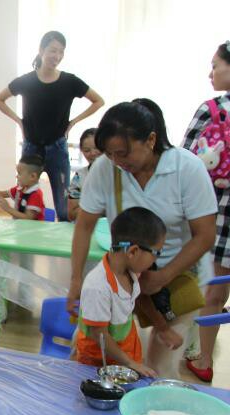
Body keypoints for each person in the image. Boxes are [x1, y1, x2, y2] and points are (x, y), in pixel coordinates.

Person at [68, 99, 217, 378]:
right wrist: (76, 280)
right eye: (110, 154)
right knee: (94, 354)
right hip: (124, 276)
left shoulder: (187, 168)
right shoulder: (106, 168)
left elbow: (205, 235)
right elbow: (84, 226)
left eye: (123, 153)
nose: (116, 161)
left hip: (175, 277)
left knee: (158, 367)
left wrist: (162, 277)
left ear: (150, 140)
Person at [0, 31, 104, 221]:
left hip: (57, 149)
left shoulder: (69, 81)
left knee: (63, 209)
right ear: (41, 50)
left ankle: (66, 240)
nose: (57, 56)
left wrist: (74, 122)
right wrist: (19, 121)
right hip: (31, 149)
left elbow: (98, 101)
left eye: (61, 51)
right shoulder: (26, 81)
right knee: (22, 202)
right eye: (53, 50)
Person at [181, 41, 230, 383]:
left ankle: (204, 359)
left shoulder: (213, 109)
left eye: (215, 65)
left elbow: (183, 159)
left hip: (220, 210)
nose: (210, 73)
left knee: (214, 291)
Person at [75, 208, 166, 377]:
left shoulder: (131, 272)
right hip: (98, 364)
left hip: (125, 356)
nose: (156, 260)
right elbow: (99, 335)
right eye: (156, 253)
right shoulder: (98, 287)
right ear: (133, 252)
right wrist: (130, 363)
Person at [0, 154, 46, 220]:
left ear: (32, 176)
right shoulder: (20, 189)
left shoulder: (36, 194)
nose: (17, 176)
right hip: (21, 226)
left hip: (32, 228)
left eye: (19, 173)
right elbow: (1, 194)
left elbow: (28, 218)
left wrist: (8, 208)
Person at [67, 128, 101, 221]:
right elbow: (71, 214)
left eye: (97, 148)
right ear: (81, 151)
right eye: (87, 150)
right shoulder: (80, 176)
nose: (93, 153)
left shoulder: (118, 173)